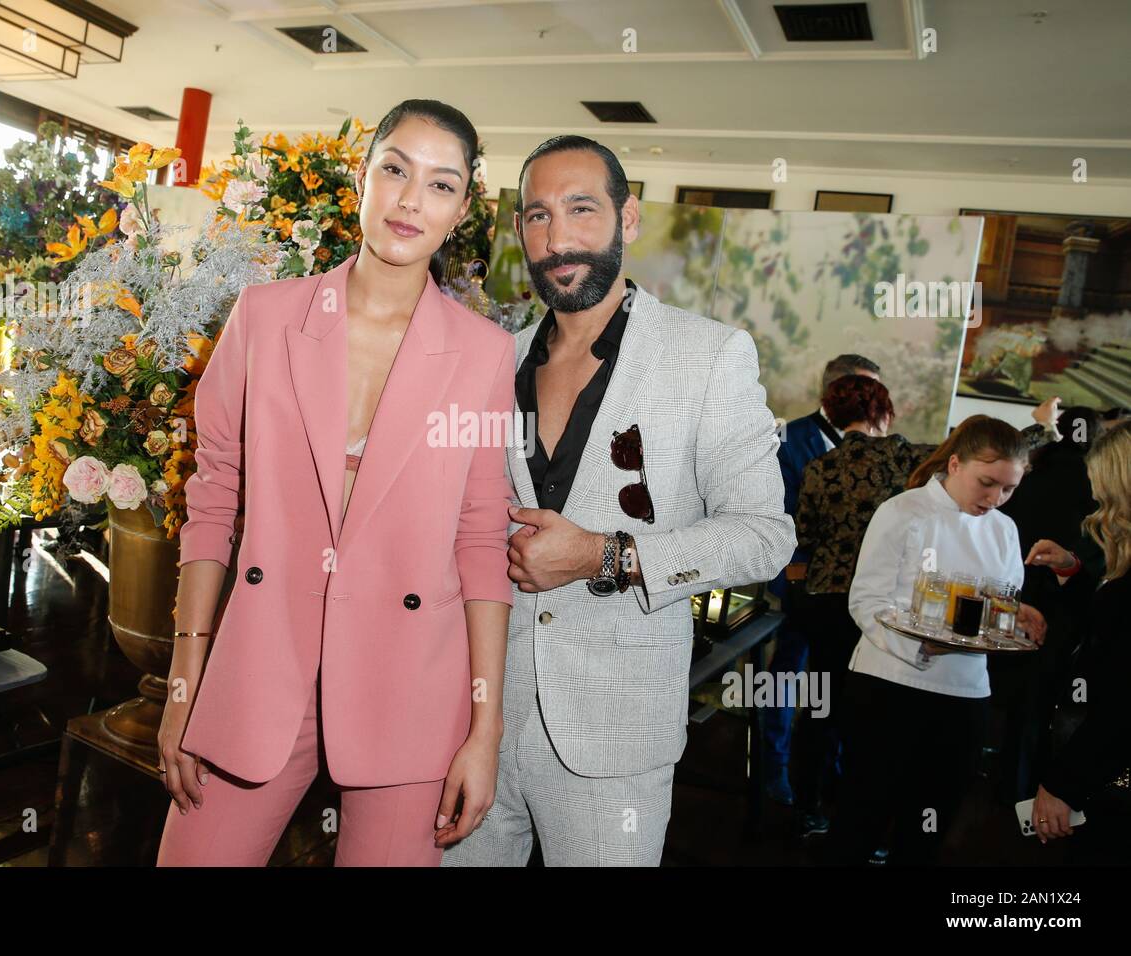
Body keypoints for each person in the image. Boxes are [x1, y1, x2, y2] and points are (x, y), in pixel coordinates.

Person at [157, 100, 515, 867]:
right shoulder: (263, 318)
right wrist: (184, 682)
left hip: (410, 686)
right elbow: (214, 500)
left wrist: (485, 730)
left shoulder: (484, 355)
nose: (411, 200)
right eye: (395, 169)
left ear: (462, 212)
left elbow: (483, 538)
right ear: (362, 179)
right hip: (261, 667)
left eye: (441, 184)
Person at [442, 135, 795, 867]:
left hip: (616, 737)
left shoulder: (710, 356)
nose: (558, 238)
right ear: (518, 232)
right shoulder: (494, 356)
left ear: (627, 218)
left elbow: (765, 537)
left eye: (581, 209)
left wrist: (604, 555)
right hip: (474, 721)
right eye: (537, 216)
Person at [793, 380, 1057, 839]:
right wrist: (920, 645)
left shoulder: (1006, 530)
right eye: (987, 483)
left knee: (932, 822)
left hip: (966, 692)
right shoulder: (902, 512)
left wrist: (1017, 614)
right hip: (889, 685)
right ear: (955, 464)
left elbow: (995, 600)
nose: (995, 499)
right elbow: (866, 600)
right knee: (864, 814)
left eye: (1009, 489)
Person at [766, 353, 880, 806]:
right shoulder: (789, 438)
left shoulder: (882, 447)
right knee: (787, 676)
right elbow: (778, 517)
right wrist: (798, 581)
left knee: (834, 688)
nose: (866, 402)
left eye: (873, 393)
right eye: (858, 392)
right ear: (832, 393)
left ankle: (822, 775)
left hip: (855, 594)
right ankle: (775, 771)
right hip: (800, 583)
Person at [1027, 420, 1131, 863]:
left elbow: (1122, 701)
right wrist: (1073, 570)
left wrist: (1062, 784)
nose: (1094, 501)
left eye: (1099, 491)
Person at [993, 406, 1103, 804]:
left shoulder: (1026, 473)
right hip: (1062, 601)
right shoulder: (1097, 484)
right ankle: (1020, 790)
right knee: (1037, 703)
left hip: (1009, 590)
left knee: (997, 687)